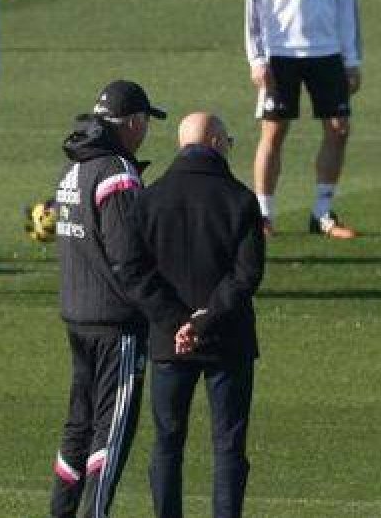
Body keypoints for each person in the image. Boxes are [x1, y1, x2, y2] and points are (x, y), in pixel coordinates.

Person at [118, 113, 263, 518]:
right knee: (229, 445)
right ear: (215, 141)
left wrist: (175, 322)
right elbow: (247, 275)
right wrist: (203, 320)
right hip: (227, 338)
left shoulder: (149, 198)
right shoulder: (240, 198)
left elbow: (132, 271)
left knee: (167, 442)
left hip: (168, 340)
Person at [48, 80, 166, 518]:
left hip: (77, 316)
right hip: (116, 323)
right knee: (111, 434)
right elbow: (127, 256)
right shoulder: (116, 171)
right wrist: (164, 313)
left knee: (78, 429)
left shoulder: (74, 168)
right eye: (145, 122)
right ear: (133, 123)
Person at [245, 0, 361, 239]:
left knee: (339, 128)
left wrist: (352, 59)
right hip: (280, 53)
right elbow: (254, 7)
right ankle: (263, 216)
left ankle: (322, 213)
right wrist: (257, 59)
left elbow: (347, 5)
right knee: (274, 132)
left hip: (326, 52)